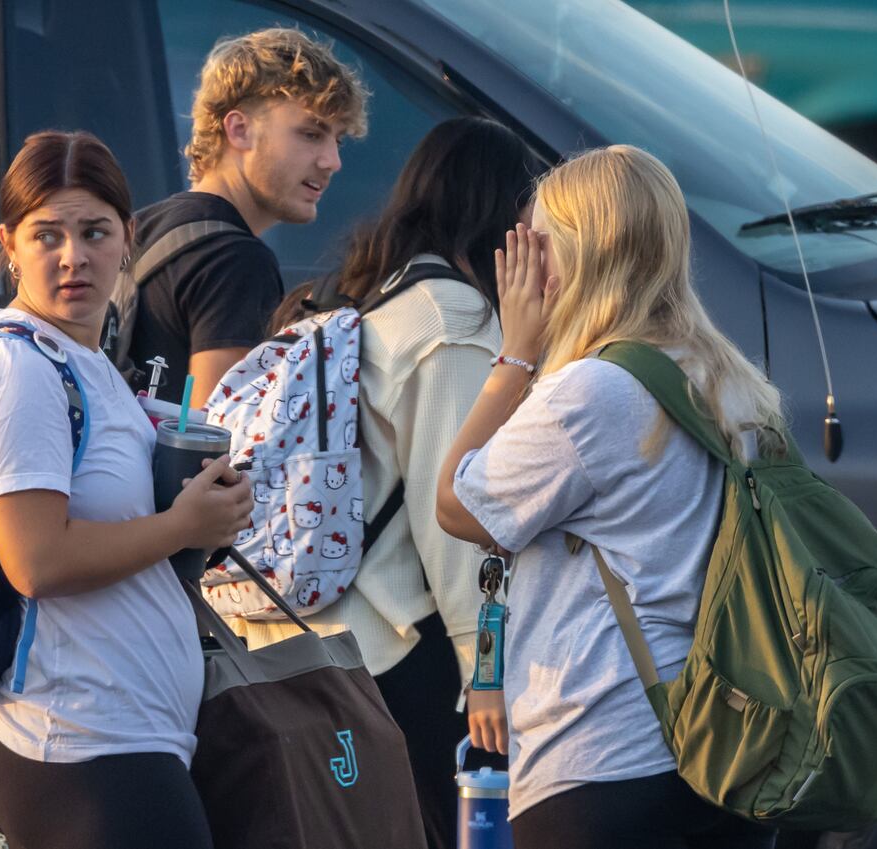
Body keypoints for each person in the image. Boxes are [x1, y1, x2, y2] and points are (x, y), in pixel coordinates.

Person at [434, 145, 780, 848]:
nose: (527, 270)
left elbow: (455, 503)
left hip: (599, 756)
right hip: (725, 744)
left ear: (578, 255)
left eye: (538, 245)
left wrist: (515, 355)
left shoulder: (587, 393)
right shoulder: (728, 376)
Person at [250, 116, 546, 849]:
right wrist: (487, 668)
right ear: (500, 215)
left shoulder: (376, 294)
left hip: (323, 639)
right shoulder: (454, 321)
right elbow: (459, 512)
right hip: (398, 652)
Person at [0, 130, 254, 849]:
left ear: (130, 235)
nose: (72, 256)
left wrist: (207, 518)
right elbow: (37, 560)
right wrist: (181, 525)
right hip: (81, 744)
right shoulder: (17, 369)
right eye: (46, 234)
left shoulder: (86, 362)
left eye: (94, 231)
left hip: (114, 739)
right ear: (9, 243)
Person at [125, 27, 369, 407]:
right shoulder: (235, 261)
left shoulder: (144, 226)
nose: (332, 162)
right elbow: (219, 441)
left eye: (337, 140)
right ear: (239, 130)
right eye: (310, 134)